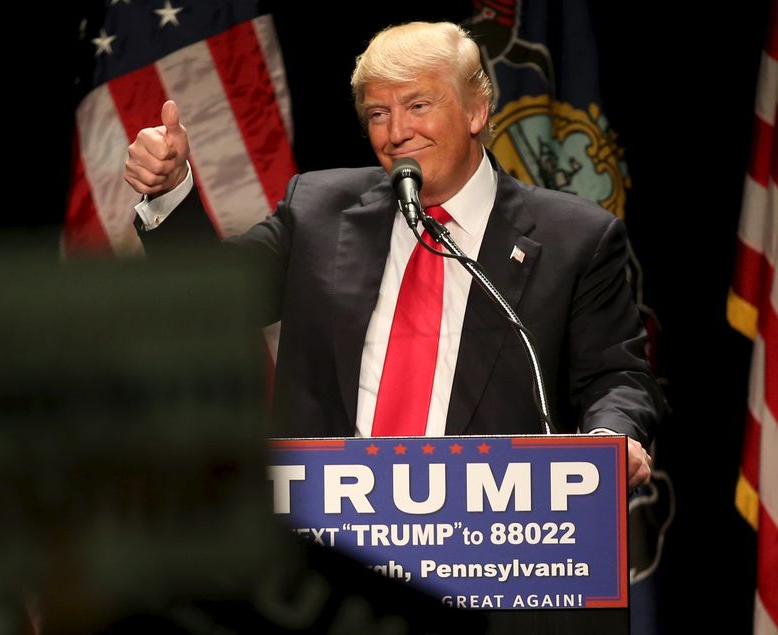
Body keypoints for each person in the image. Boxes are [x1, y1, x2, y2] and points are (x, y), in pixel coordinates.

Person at [124, 21, 664, 490]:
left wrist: (607, 441)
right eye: (379, 112)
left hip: (488, 549)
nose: (397, 132)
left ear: (477, 109)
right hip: (331, 556)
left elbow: (615, 375)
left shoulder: (575, 239)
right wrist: (170, 192)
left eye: (418, 105)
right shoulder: (318, 211)